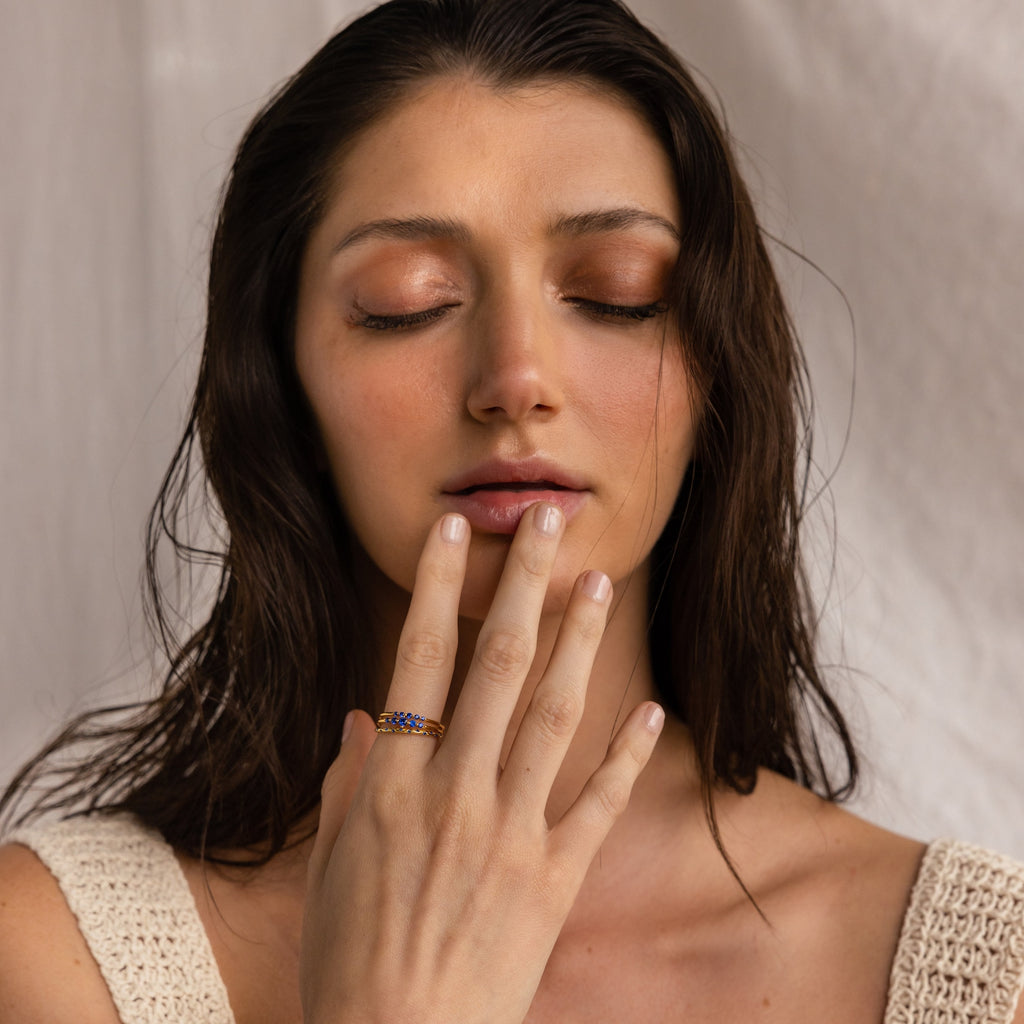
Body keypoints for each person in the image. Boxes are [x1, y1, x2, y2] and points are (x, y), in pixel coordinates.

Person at [1, 0, 1022, 1021]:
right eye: (407, 301)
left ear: (716, 369)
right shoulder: (57, 954)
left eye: (616, 293)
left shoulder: (983, 973)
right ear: (282, 379)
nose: (517, 377)